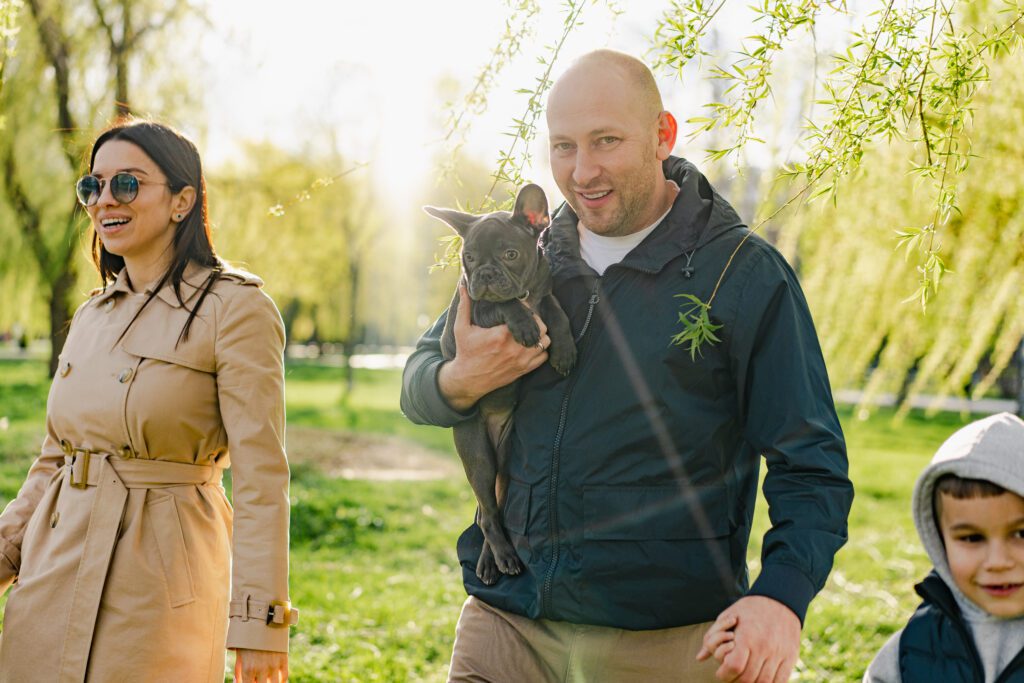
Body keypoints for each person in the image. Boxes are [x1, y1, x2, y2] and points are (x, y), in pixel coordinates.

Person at [401, 49, 853, 682]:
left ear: (663, 135)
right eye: (564, 147)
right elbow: (417, 385)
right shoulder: (522, 257)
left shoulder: (742, 275)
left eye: (606, 141)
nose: (582, 171)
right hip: (506, 625)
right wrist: (459, 381)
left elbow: (811, 463)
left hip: (669, 642)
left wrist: (781, 596)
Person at [0, 120, 297, 683]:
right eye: (93, 186)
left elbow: (262, 479)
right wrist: (6, 553)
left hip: (161, 584)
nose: (104, 200)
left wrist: (260, 622)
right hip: (52, 569)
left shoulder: (235, 308)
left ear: (183, 200)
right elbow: (55, 459)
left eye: (127, 184)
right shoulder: (90, 316)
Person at [864, 412, 1024, 682]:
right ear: (939, 542)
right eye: (972, 538)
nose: (997, 561)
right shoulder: (913, 646)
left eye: (1021, 533)